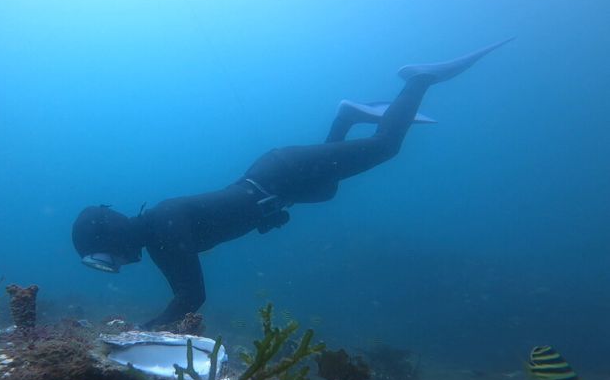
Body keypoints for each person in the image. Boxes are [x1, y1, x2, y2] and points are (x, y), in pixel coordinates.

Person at [72, 39, 513, 329]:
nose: (114, 267)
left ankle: (419, 79)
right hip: (281, 188)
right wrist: (261, 219)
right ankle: (347, 114)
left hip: (282, 172)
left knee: (385, 147)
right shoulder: (159, 238)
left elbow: (192, 294)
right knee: (329, 191)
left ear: (111, 236)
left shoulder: (165, 229)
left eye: (103, 259)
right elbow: (210, 240)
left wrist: (136, 336)